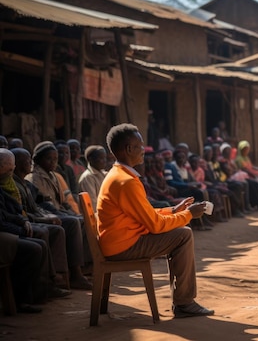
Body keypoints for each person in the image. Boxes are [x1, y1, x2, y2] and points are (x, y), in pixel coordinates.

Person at [97, 123, 214, 318]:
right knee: (183, 235)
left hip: (120, 240)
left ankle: (183, 301)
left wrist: (173, 210)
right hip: (124, 246)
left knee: (180, 233)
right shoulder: (125, 182)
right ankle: (184, 303)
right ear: (128, 149)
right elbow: (155, 225)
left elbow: (145, 214)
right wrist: (188, 215)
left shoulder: (120, 175)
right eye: (140, 146)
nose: (144, 151)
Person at [12, 148, 91, 291]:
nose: (29, 163)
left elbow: (44, 203)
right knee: (68, 224)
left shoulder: (31, 182)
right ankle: (66, 275)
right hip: (33, 219)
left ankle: (82, 268)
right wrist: (48, 218)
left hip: (46, 214)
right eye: (26, 161)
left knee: (79, 220)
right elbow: (29, 210)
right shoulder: (31, 179)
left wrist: (65, 213)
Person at [235, 140, 258, 207]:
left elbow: (251, 166)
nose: (246, 151)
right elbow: (243, 169)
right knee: (256, 183)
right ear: (241, 150)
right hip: (244, 176)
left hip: (250, 174)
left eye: (247, 149)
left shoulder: (246, 158)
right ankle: (257, 204)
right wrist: (252, 174)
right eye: (245, 149)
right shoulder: (239, 159)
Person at [78, 145, 107, 210]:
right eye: (101, 158)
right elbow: (92, 203)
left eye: (105, 158)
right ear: (90, 159)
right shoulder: (88, 177)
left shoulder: (104, 174)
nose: (104, 161)